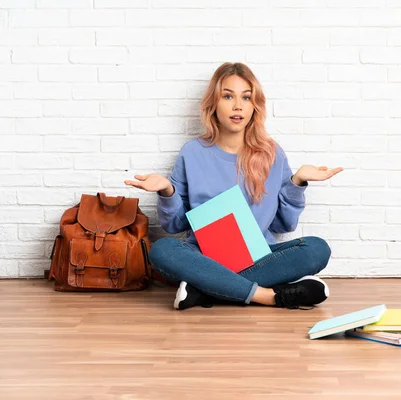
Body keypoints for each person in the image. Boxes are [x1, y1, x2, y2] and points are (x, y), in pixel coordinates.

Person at [125, 62, 343, 310]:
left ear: (254, 106)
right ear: (213, 104)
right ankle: (270, 296)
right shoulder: (192, 153)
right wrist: (167, 191)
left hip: (260, 257)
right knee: (162, 250)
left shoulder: (272, 154)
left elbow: (284, 225)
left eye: (246, 98)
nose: (237, 105)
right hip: (203, 258)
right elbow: (174, 225)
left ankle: (205, 290)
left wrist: (297, 183)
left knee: (317, 249)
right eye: (228, 96)